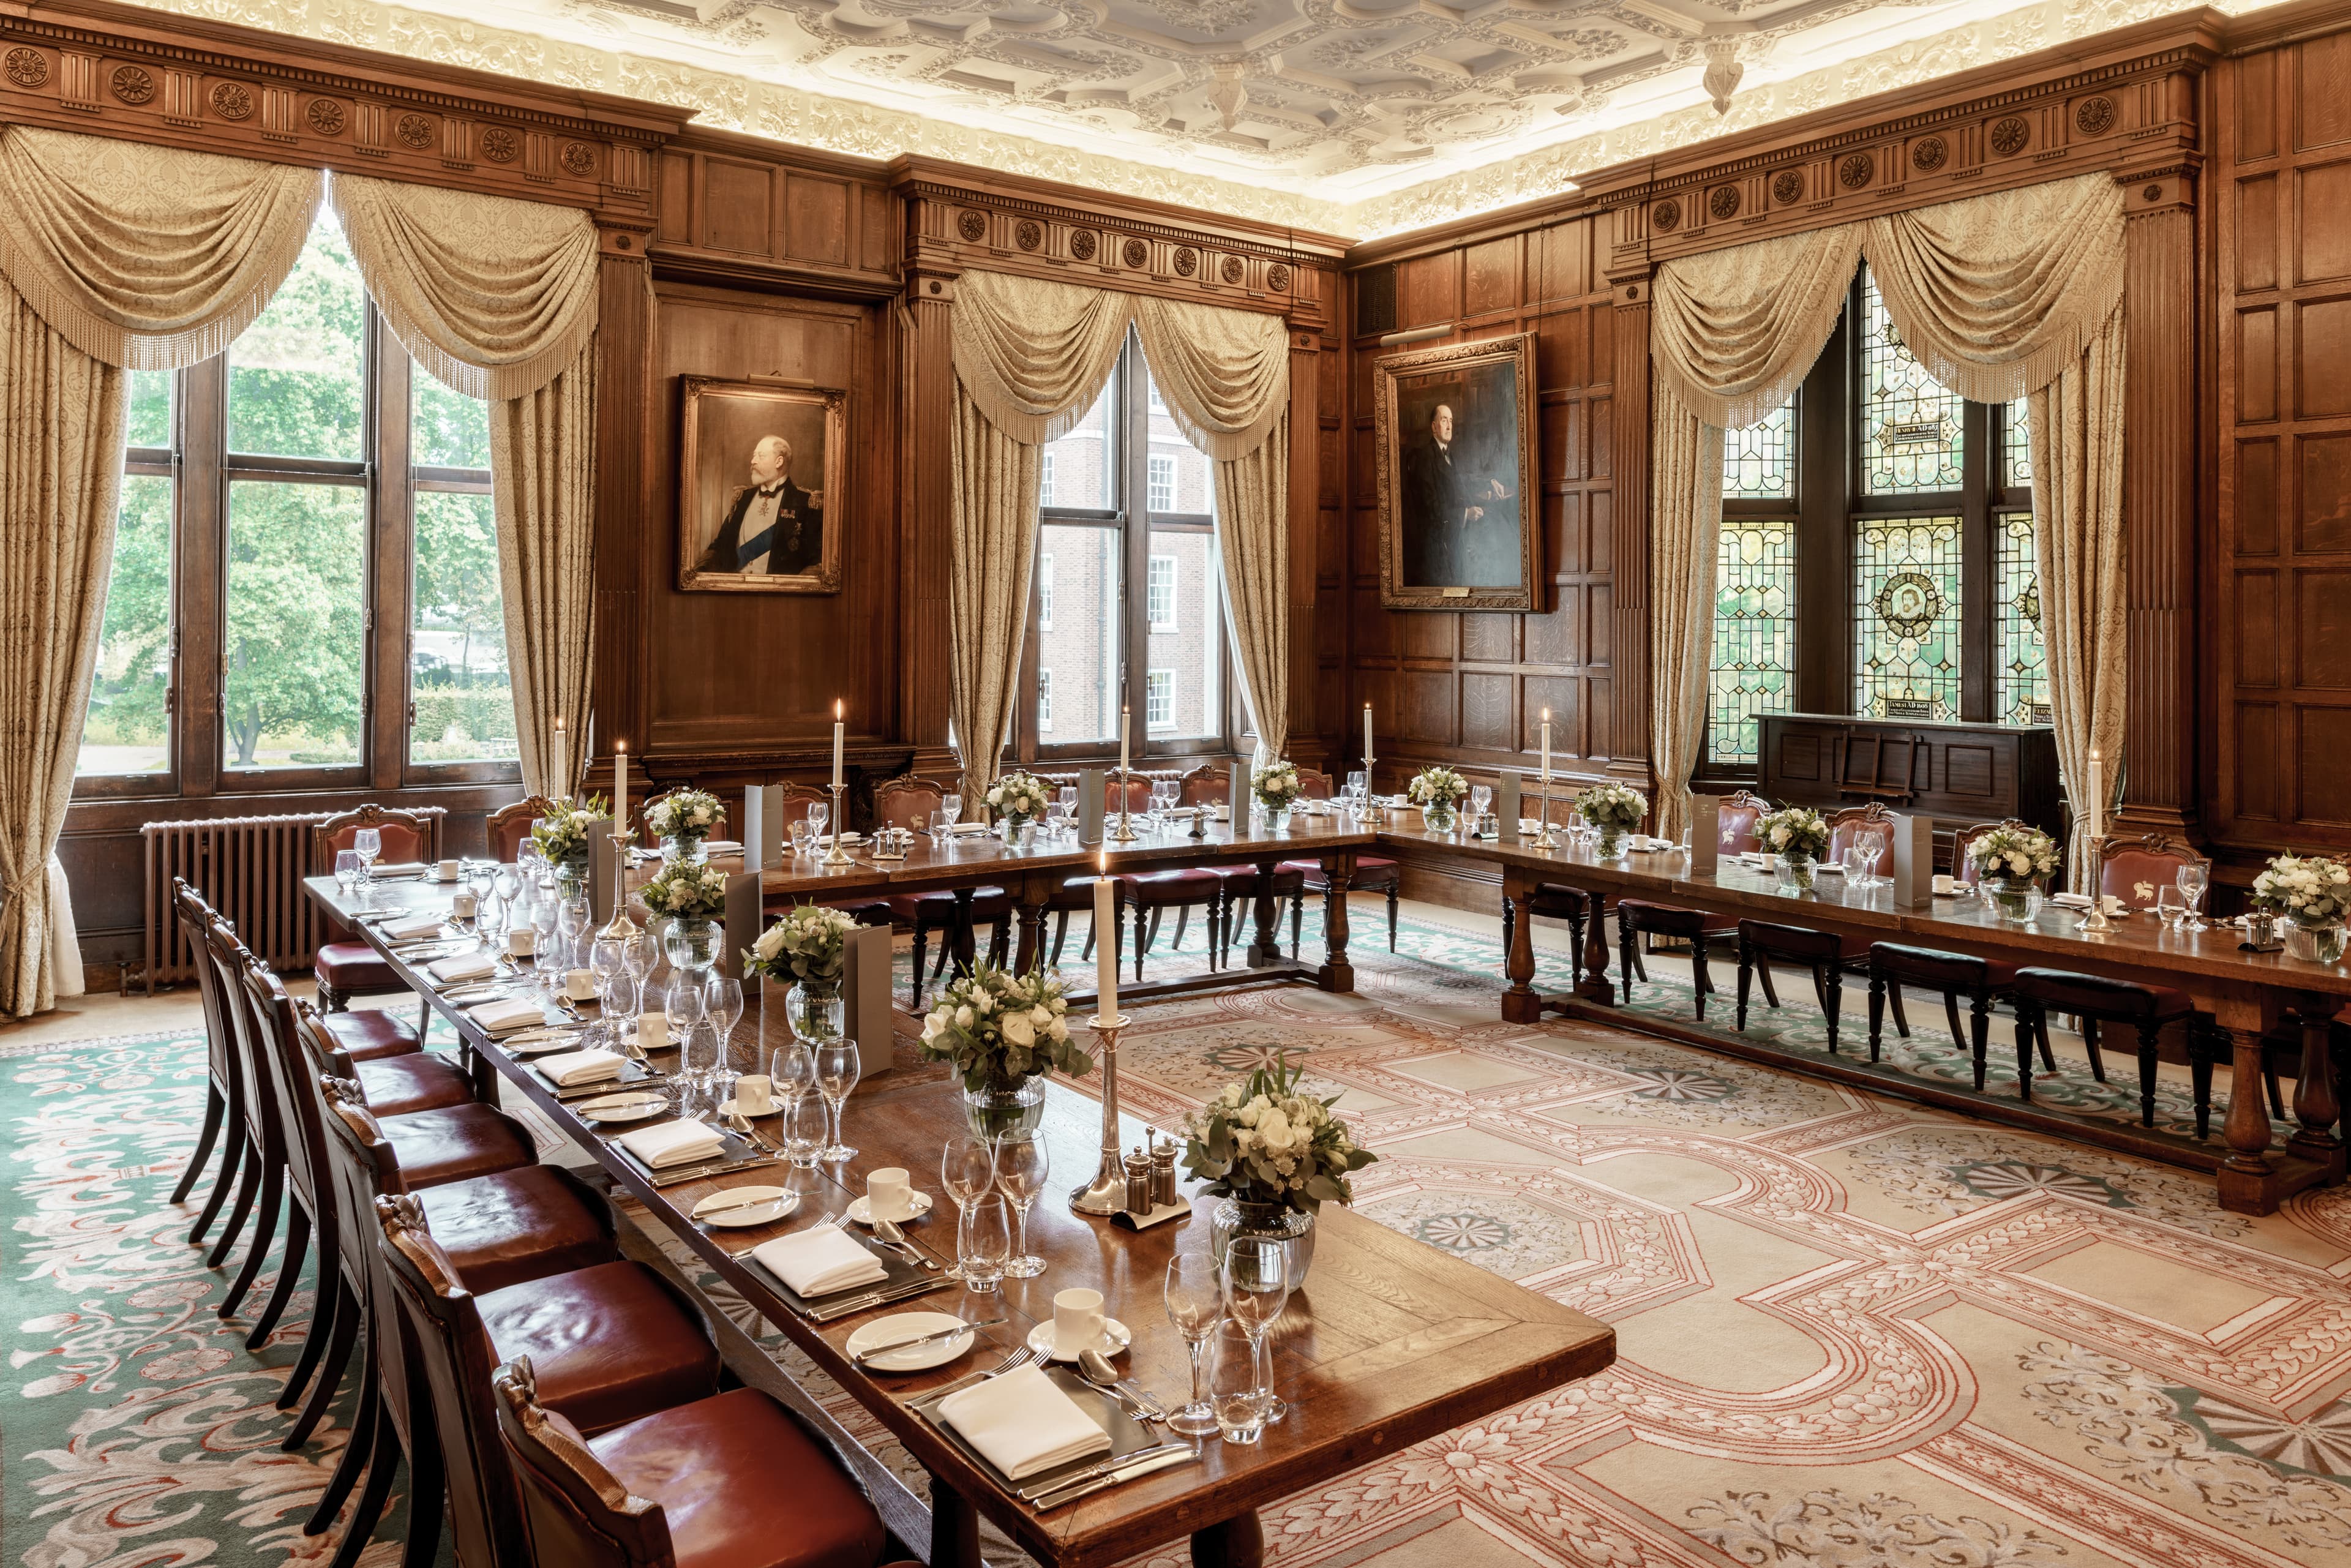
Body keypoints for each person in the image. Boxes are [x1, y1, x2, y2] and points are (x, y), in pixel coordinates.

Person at [1400, 399, 1518, 587]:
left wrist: (1490, 485)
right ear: (1434, 426)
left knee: (1500, 522)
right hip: (1439, 541)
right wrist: (1465, 514)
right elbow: (1429, 508)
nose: (1449, 425)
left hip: (1456, 533)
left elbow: (1463, 481)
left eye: (1451, 420)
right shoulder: (1424, 457)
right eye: (1444, 420)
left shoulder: (1449, 455)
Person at [699, 433, 825, 576]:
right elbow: (721, 545)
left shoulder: (806, 503)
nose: (753, 461)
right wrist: (700, 572)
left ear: (779, 462)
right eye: (754, 456)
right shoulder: (742, 498)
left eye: (761, 456)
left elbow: (816, 560)